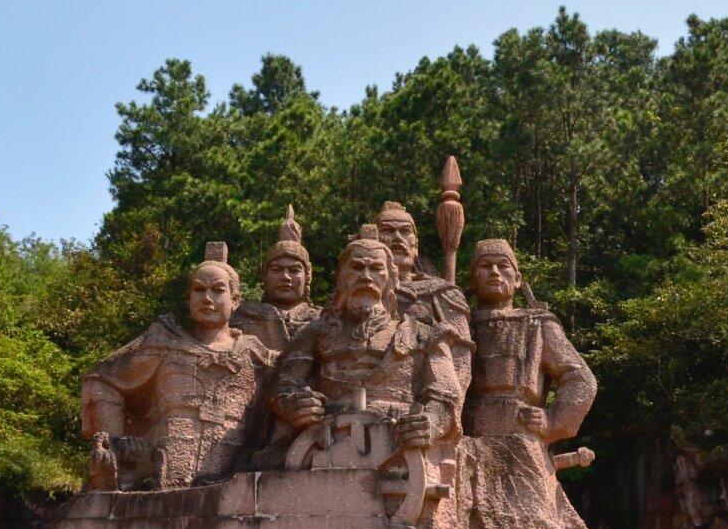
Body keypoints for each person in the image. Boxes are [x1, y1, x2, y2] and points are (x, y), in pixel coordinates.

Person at [459, 238, 601, 529]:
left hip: (523, 444)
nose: (495, 274)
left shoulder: (537, 323)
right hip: (468, 442)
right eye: (485, 266)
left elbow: (580, 378)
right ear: (472, 278)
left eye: (504, 266)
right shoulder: (458, 322)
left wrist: (554, 423)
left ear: (518, 278)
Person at [80, 243, 275, 489]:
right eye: (199, 290)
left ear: (235, 300)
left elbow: (291, 384)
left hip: (235, 477)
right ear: (188, 298)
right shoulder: (164, 341)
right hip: (163, 473)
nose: (207, 299)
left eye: (217, 290)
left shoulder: (256, 354)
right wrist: (116, 444)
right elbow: (101, 379)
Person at [270, 227, 466, 453]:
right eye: (357, 267)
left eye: (375, 269)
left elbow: (445, 398)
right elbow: (283, 386)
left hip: (399, 445)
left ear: (390, 279)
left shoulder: (423, 335)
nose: (366, 276)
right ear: (342, 277)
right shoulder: (315, 332)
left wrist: (430, 423)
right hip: (325, 446)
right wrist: (293, 405)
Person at [374, 201, 472, 399]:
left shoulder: (441, 293)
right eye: (388, 231)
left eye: (405, 231)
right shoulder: (353, 296)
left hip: (425, 402)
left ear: (415, 246)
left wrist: (445, 409)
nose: (397, 238)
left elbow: (461, 358)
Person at [231, 206, 319, 352]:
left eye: (294, 270)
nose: (285, 277)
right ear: (265, 275)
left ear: (308, 277)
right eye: (277, 270)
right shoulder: (239, 318)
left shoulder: (323, 321)